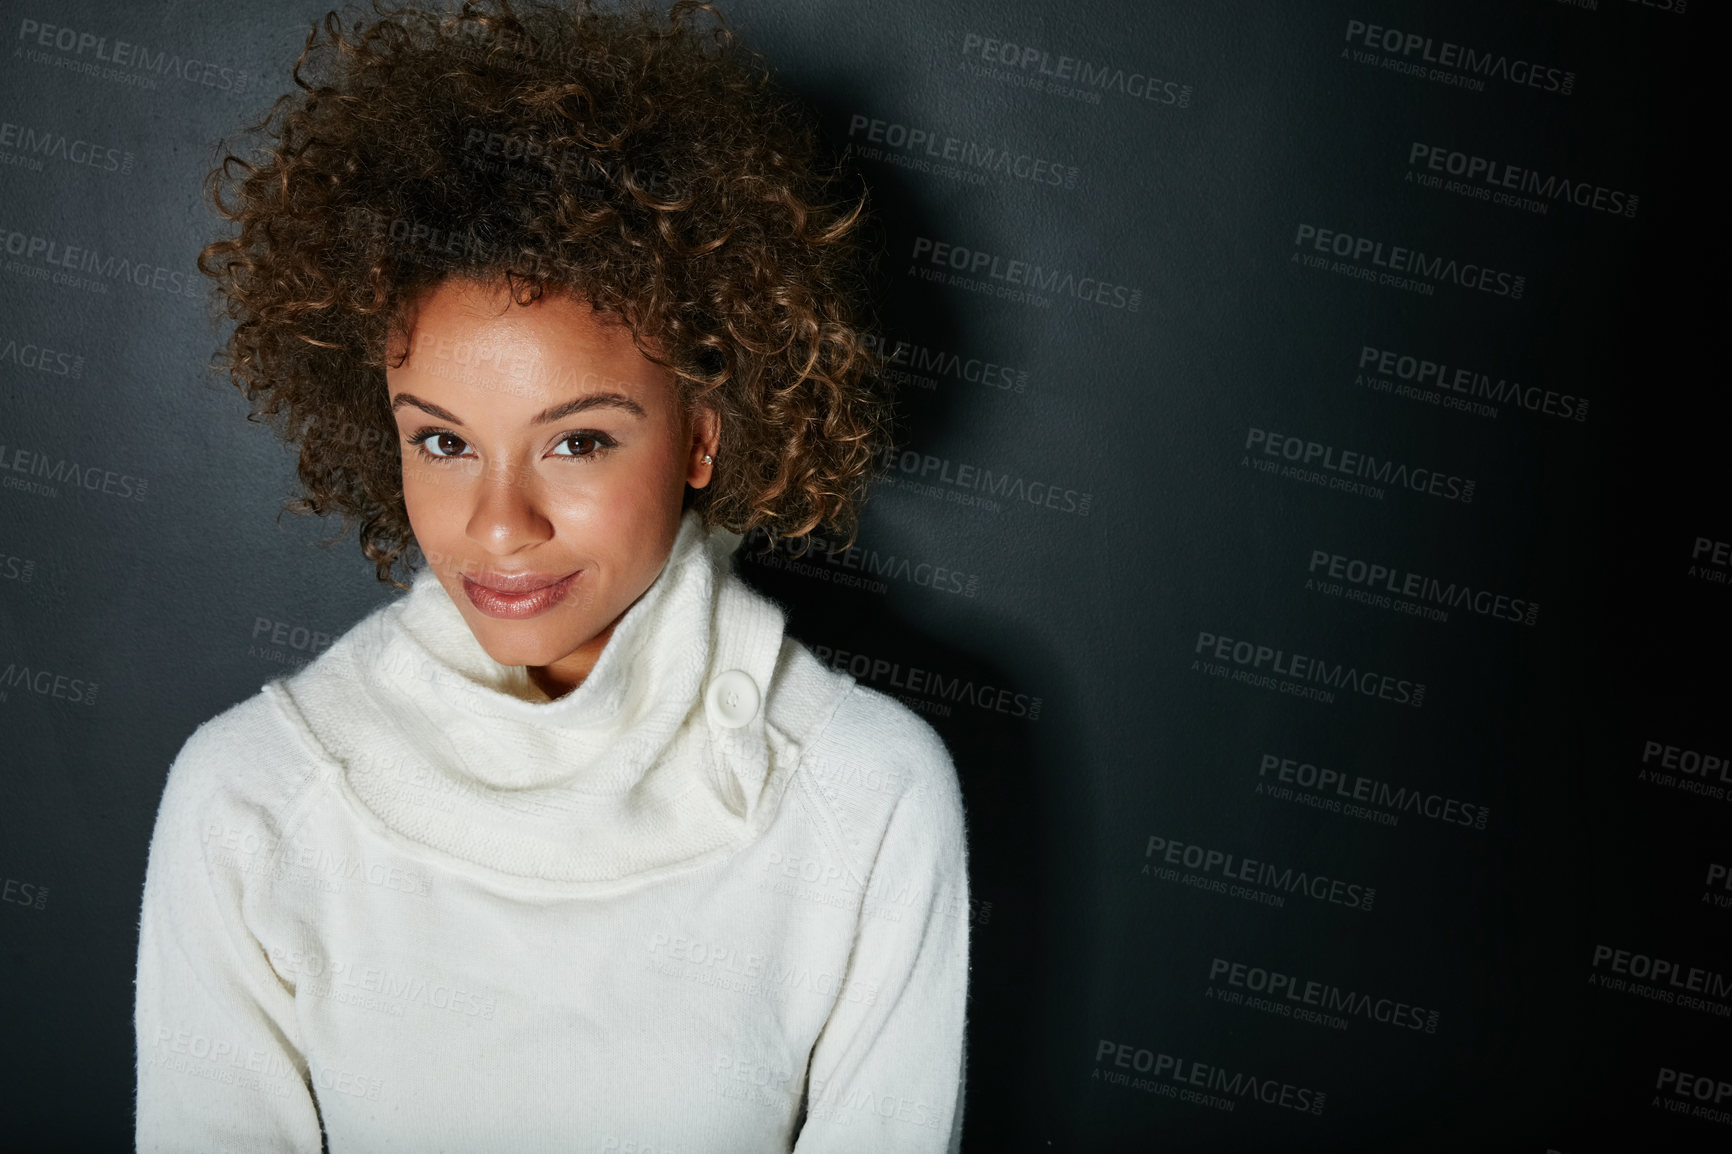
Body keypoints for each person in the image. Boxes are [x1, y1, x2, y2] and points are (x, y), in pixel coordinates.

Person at [132, 1, 972, 1149]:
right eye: (441, 440)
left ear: (701, 438)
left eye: (576, 440)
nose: (499, 524)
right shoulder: (251, 799)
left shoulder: (865, 795)